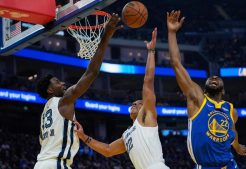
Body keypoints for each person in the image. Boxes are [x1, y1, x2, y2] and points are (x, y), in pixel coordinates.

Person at [34, 13, 122, 169]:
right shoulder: (63, 100)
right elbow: (91, 73)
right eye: (56, 82)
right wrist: (106, 36)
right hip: (56, 164)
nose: (62, 83)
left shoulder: (46, 111)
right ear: (50, 89)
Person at [74, 28, 169, 169]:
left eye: (139, 103)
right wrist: (84, 137)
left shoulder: (146, 118)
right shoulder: (127, 134)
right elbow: (108, 150)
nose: (135, 103)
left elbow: (148, 81)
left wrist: (151, 52)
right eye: (134, 103)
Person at [166, 10, 246, 169]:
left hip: (229, 164)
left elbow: (232, 132)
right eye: (211, 78)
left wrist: (237, 147)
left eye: (217, 78)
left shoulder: (230, 109)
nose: (214, 78)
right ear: (204, 89)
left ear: (223, 91)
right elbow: (176, 64)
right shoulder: (198, 99)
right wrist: (171, 32)